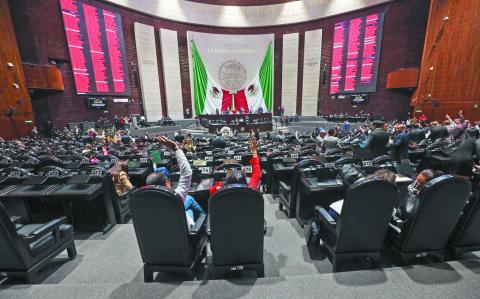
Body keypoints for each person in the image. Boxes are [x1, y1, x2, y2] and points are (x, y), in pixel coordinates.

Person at [145, 137, 205, 230]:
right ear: (167, 182)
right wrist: (176, 148)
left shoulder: (144, 204)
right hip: (184, 235)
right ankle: (203, 216)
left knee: (188, 208)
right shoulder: (176, 197)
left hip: (161, 235)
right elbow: (187, 172)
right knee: (189, 200)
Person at [328, 169, 397, 220]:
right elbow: (391, 213)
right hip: (364, 226)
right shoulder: (388, 193)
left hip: (341, 214)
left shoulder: (362, 181)